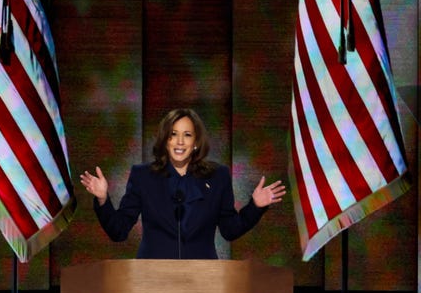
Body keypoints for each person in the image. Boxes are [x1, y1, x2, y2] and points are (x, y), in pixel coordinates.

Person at [78, 108, 285, 259]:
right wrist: (103, 199)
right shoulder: (143, 176)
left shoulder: (218, 176)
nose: (179, 142)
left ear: (195, 143)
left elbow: (229, 229)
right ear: (165, 140)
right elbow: (119, 231)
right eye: (173, 134)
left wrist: (255, 207)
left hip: (201, 280)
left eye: (187, 135)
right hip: (153, 280)